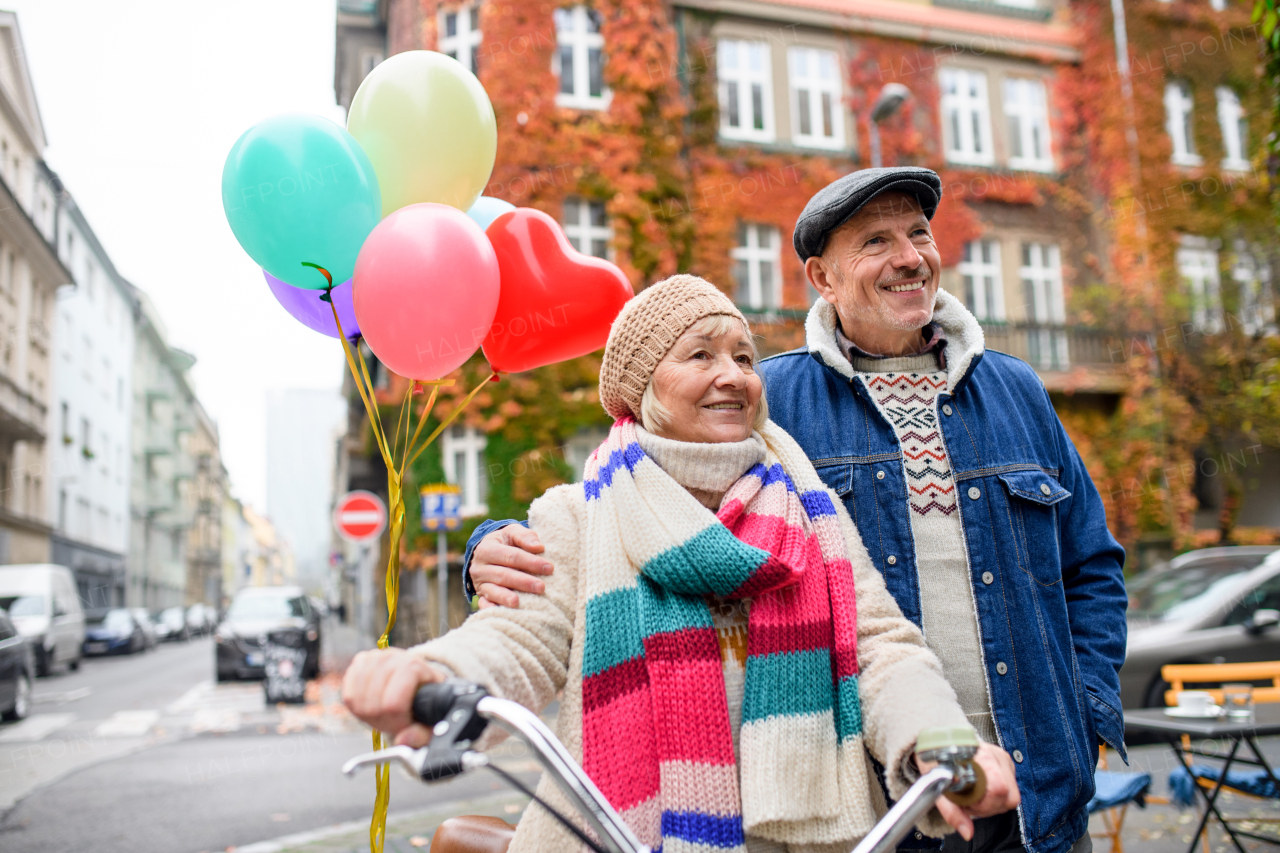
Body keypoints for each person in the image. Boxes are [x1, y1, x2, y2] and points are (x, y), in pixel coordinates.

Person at [463, 168, 1127, 853]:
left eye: (919, 234)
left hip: (1034, 788)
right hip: (875, 805)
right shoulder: (766, 398)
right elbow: (643, 494)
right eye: (875, 241)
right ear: (822, 277)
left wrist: (1085, 712)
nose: (909, 256)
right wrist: (489, 544)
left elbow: (1092, 564)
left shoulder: (1016, 390)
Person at [343, 276, 1020, 853]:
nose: (733, 375)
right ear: (644, 388)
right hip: (618, 834)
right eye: (700, 354)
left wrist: (937, 736)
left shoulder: (810, 512)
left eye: (744, 356)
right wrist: (434, 671)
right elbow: (516, 638)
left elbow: (881, 648)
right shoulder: (578, 516)